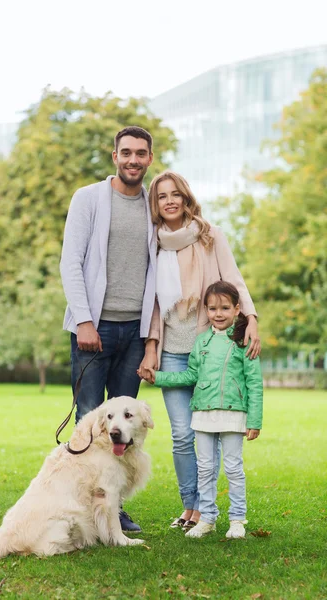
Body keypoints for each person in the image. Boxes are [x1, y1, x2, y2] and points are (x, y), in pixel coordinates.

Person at [138, 171, 260, 530]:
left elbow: (234, 279)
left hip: (210, 349)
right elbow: (153, 303)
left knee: (212, 432)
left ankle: (209, 510)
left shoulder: (210, 236)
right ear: (156, 205)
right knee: (181, 433)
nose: (170, 201)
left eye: (176, 194)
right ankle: (190, 507)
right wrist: (151, 346)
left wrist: (251, 316)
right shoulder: (155, 243)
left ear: (186, 197)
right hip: (173, 351)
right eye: (162, 197)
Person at [60, 126, 158, 532]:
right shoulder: (89, 198)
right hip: (93, 328)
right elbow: (71, 262)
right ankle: (79, 504)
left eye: (141, 153)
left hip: (135, 331)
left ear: (150, 158)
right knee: (89, 420)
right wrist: (84, 319)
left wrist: (152, 337)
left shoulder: (155, 204)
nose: (133, 159)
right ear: (114, 156)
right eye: (126, 152)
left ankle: (113, 508)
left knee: (122, 427)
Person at [143, 281, 263, 539]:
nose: (218, 314)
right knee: (206, 468)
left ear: (237, 308)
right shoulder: (201, 342)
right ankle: (207, 518)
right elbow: (190, 375)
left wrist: (254, 420)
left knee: (233, 467)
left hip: (233, 414)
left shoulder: (244, 341)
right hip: (203, 415)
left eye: (225, 308)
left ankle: (237, 519)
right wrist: (159, 378)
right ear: (206, 311)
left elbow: (254, 382)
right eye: (212, 308)